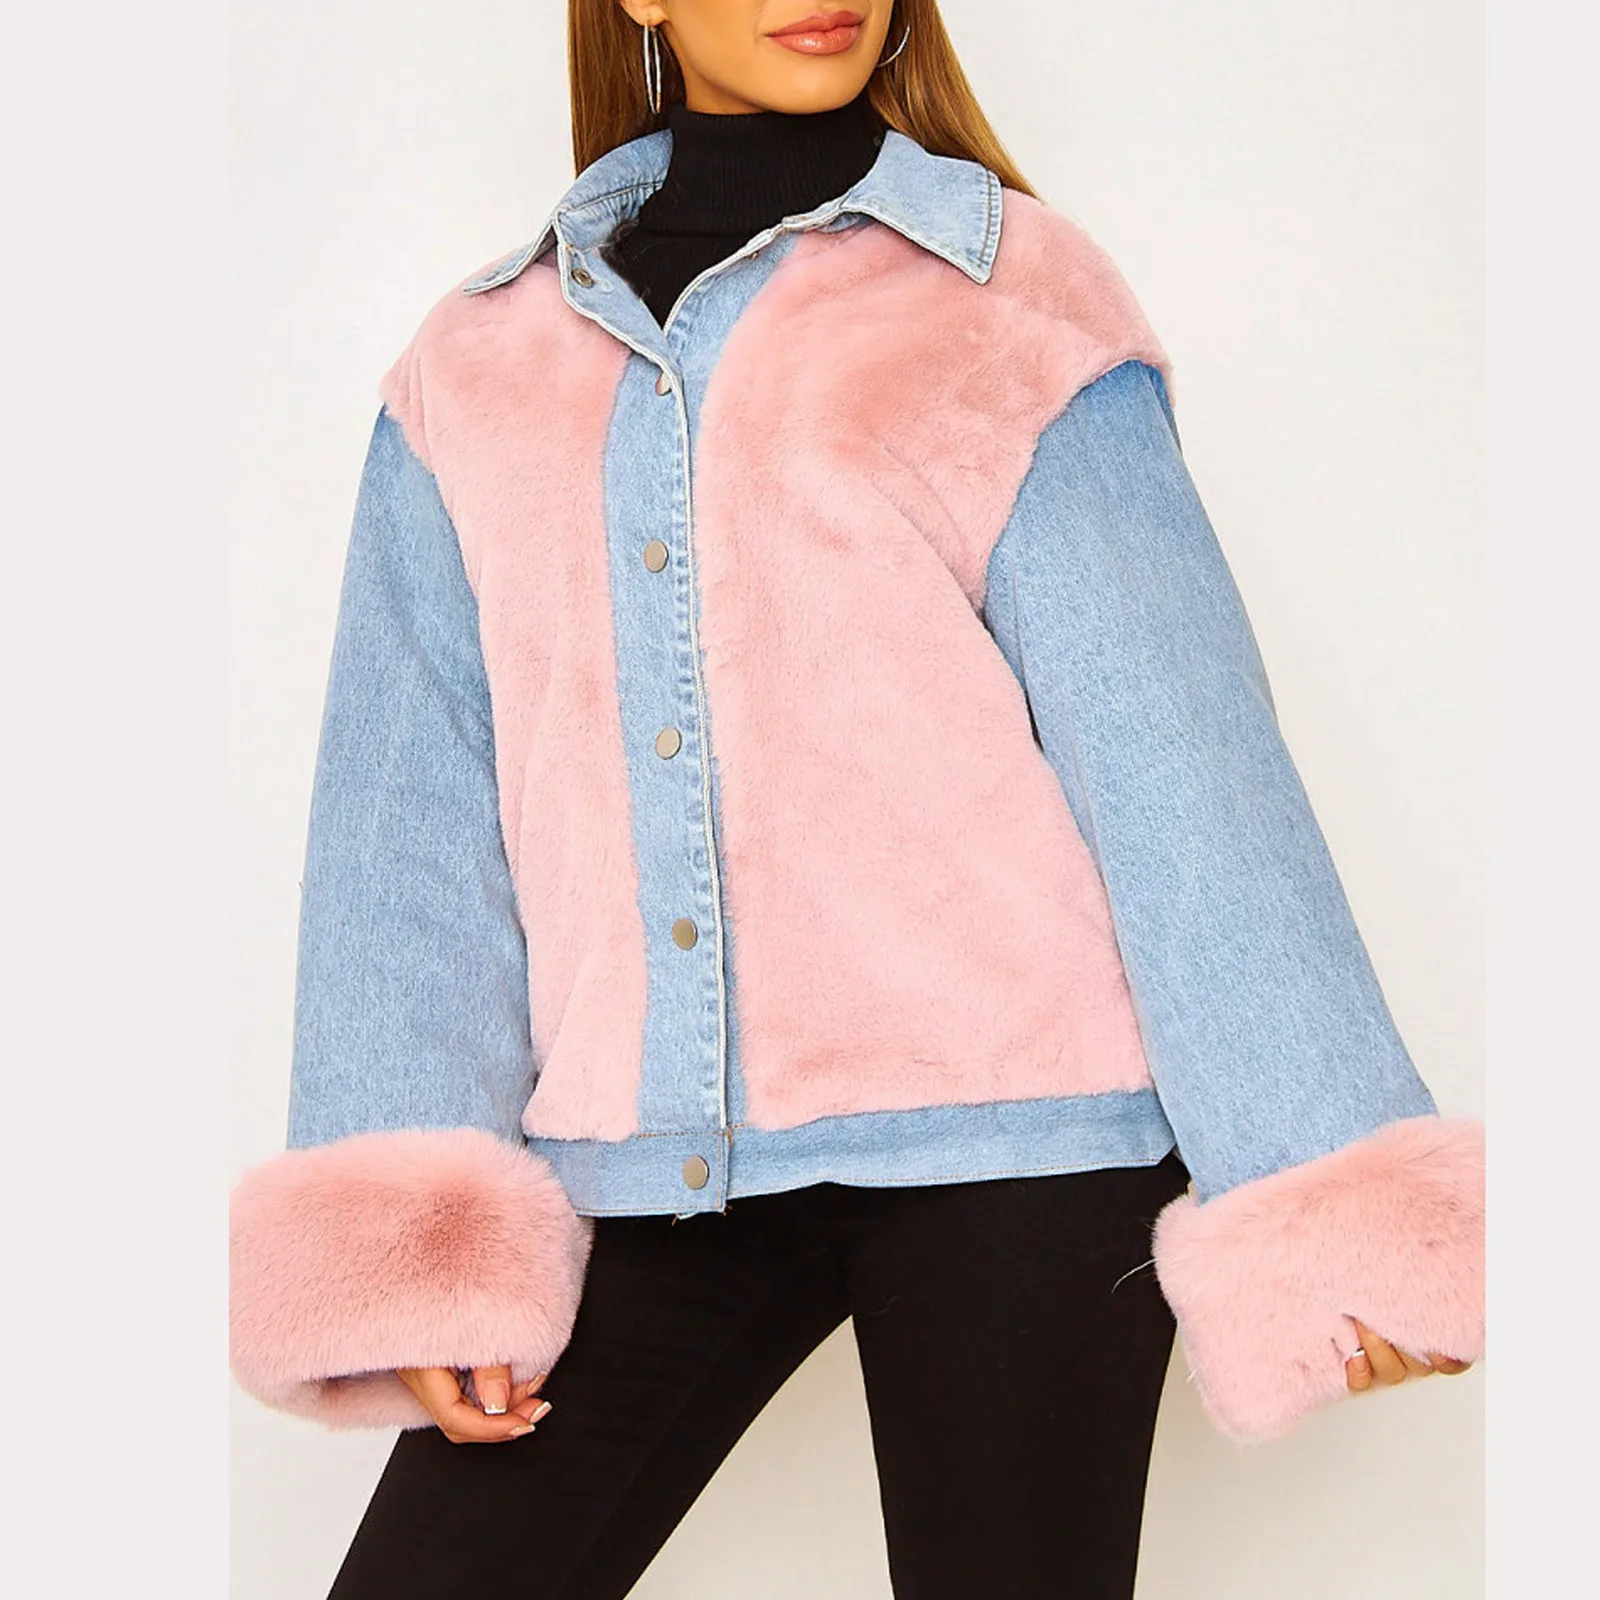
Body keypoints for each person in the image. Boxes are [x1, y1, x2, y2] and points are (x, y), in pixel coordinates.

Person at [228, 3, 1485, 1596]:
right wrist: (417, 1247)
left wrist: (1325, 1180)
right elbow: (409, 826)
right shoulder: (473, 366)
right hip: (647, 1154)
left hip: (1024, 1148)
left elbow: (1180, 757)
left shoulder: (1012, 298)